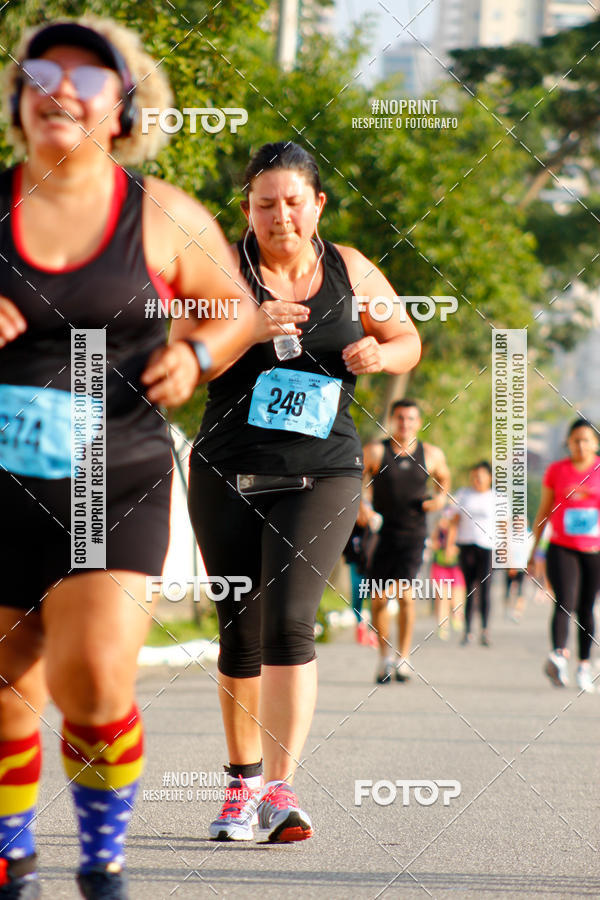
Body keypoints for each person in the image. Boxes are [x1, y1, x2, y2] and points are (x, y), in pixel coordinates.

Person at [0, 17, 257, 899]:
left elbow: (235, 308)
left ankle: (102, 863)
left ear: (123, 108)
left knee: (92, 679)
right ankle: (12, 858)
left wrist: (196, 354)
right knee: (4, 689)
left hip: (115, 476)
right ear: (16, 99)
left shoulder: (161, 215)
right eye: (39, 70)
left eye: (86, 75)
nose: (57, 87)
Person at [185, 141, 421, 844]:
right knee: (239, 627)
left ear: (317, 204)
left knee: (289, 619)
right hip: (227, 469)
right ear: (247, 208)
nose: (279, 216)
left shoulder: (350, 268)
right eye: (264, 204)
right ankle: (241, 784)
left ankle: (280, 792)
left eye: (293, 201)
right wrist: (247, 330)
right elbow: (181, 355)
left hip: (324, 470)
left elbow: (406, 335)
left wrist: (383, 353)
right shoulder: (219, 268)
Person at [362, 399, 450, 683]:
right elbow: (355, 481)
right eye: (400, 418)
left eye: (411, 419)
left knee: (405, 595)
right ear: (392, 419)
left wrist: (438, 500)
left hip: (414, 534)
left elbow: (444, 481)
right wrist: (362, 506)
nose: (405, 424)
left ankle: (404, 657)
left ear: (418, 422)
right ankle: (384, 658)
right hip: (381, 534)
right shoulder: (376, 451)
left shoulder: (431, 454)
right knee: (378, 598)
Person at [529, 419, 600, 693]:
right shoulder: (557, 471)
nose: (580, 445)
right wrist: (536, 550)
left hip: (594, 550)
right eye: (575, 440)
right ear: (567, 443)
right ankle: (558, 656)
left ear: (595, 443)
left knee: (586, 607)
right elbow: (544, 512)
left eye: (586, 440)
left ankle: (584, 664)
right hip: (562, 547)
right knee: (564, 601)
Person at [450, 461, 495, 646]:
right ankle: (467, 630)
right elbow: (454, 520)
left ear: (490, 477)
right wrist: (450, 544)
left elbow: (504, 527)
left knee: (485, 589)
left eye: (481, 475)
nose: (477, 479)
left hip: (487, 547)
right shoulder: (463, 494)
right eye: (474, 475)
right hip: (466, 545)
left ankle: (484, 630)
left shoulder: (497, 498)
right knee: (468, 588)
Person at [429, 508, 465, 639]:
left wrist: (454, 549)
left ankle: (457, 616)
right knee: (442, 596)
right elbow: (432, 544)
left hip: (455, 567)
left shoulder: (459, 531)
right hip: (440, 566)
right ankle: (443, 624)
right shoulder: (439, 531)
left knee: (457, 595)